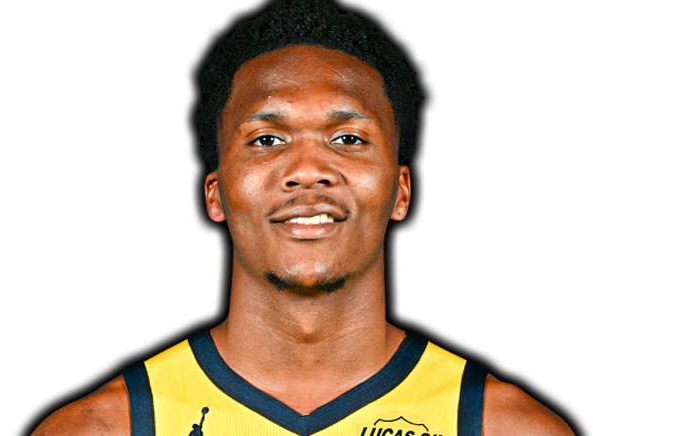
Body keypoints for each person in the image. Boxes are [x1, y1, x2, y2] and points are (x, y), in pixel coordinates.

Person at [33, 0, 574, 435]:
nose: (309, 170)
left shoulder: (506, 427)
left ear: (401, 190)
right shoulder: (104, 427)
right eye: (267, 139)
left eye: (349, 138)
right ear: (216, 193)